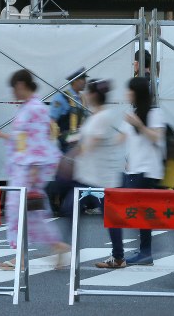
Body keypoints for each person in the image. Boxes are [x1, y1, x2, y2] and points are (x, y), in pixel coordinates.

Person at [0, 69, 70, 270]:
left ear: (21, 85)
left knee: (18, 212)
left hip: (29, 169)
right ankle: (56, 246)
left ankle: (21, 257)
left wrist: (32, 171)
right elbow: (25, 138)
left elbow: (37, 142)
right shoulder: (31, 107)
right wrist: (1, 136)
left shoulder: (34, 108)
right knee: (33, 214)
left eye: (14, 89)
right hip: (26, 167)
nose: (13, 94)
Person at [60, 79, 127, 268]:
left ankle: (118, 256)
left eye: (88, 93)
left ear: (94, 95)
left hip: (102, 178)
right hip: (89, 176)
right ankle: (65, 251)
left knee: (110, 218)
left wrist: (69, 158)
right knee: (70, 210)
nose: (86, 96)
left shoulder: (102, 117)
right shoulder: (95, 115)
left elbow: (90, 144)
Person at [118, 77, 166, 265]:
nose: (127, 94)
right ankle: (145, 251)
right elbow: (122, 139)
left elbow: (156, 138)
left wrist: (139, 125)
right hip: (134, 170)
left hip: (148, 171)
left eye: (130, 90)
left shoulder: (155, 113)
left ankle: (146, 251)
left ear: (138, 93)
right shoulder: (133, 113)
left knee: (140, 212)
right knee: (139, 213)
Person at [50, 67, 88, 154]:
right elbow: (52, 121)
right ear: (74, 80)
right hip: (65, 145)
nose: (85, 81)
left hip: (79, 143)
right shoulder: (61, 98)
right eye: (82, 78)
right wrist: (54, 142)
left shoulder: (83, 99)